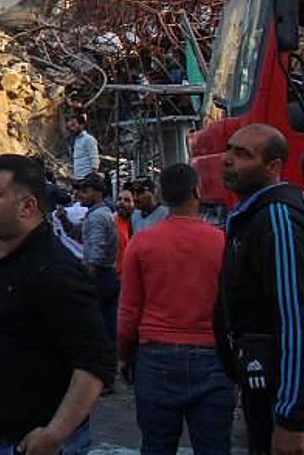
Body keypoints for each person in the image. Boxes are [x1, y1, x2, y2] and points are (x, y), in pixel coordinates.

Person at [0, 154, 113, 455]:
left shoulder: (56, 271)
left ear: (28, 206)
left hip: (27, 444)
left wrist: (55, 433)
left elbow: (94, 364)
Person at [216, 123, 304, 455]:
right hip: (262, 390)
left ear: (273, 167)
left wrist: (291, 418)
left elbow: (298, 321)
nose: (228, 160)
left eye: (243, 154)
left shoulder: (278, 219)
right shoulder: (251, 217)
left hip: (281, 400)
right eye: (230, 149)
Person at [118, 162, 232, 454]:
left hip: (156, 355)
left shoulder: (142, 243)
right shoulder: (221, 241)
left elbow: (129, 311)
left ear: (162, 195)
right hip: (212, 355)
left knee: (156, 445)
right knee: (214, 447)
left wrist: (123, 355)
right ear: (196, 191)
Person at [73, 173, 119, 367]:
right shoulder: (99, 214)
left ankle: (102, 371)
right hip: (106, 276)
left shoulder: (98, 217)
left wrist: (87, 283)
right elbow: (80, 235)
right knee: (106, 327)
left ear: (98, 193)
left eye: (86, 190)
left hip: (100, 277)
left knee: (96, 329)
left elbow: (96, 255)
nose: (80, 195)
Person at [66, 114, 99, 179]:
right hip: (78, 177)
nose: (71, 128)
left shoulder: (88, 139)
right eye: (70, 126)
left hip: (87, 178)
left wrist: (92, 178)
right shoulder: (76, 140)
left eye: (74, 125)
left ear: (82, 125)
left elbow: (94, 159)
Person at [114, 186, 134, 273]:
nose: (122, 202)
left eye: (127, 200)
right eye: (119, 199)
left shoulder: (139, 224)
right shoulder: (111, 222)